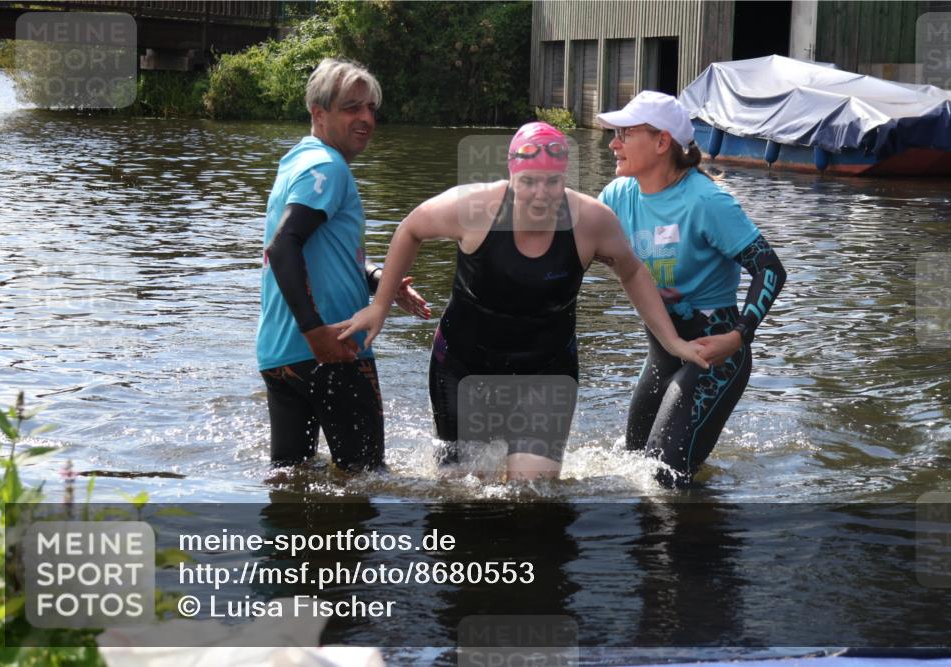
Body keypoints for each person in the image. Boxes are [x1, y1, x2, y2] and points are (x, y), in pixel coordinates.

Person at [335, 121, 708, 481]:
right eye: (528, 182)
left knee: (532, 493)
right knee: (465, 489)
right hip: (466, 366)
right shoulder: (474, 208)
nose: (541, 194)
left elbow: (632, 271)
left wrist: (671, 341)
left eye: (553, 182)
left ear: (566, 180)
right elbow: (410, 229)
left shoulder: (591, 221)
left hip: (547, 369)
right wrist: (381, 304)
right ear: (511, 176)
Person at [596, 90, 787, 487]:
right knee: (630, 467)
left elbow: (770, 269)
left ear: (662, 141)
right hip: (663, 357)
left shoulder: (707, 203)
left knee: (661, 477)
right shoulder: (616, 197)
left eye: (624, 134)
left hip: (713, 359)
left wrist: (738, 338)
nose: (612, 143)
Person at [256, 58, 429, 471]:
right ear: (319, 113)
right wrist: (316, 332)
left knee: (291, 482)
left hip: (279, 355)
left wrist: (378, 280)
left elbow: (323, 250)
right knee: (366, 482)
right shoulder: (328, 168)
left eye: (371, 108)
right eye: (352, 107)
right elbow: (282, 249)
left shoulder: (299, 160)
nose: (366, 118)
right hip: (334, 348)